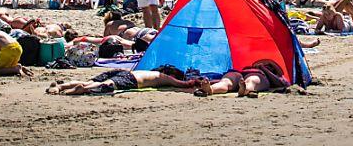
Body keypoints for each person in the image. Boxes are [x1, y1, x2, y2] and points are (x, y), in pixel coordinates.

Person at [47, 66, 197, 95]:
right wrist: (194, 83)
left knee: (88, 81)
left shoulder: (147, 70)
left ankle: (61, 86)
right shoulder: (163, 77)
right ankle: (78, 90)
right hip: (131, 79)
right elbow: (182, 84)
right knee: (106, 85)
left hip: (125, 72)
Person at [194, 60, 291, 97]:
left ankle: (244, 89)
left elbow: (282, 83)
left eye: (269, 66)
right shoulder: (251, 67)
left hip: (257, 74)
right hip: (240, 72)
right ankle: (211, 89)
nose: (265, 64)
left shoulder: (275, 76)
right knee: (226, 81)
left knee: (252, 81)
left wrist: (264, 69)